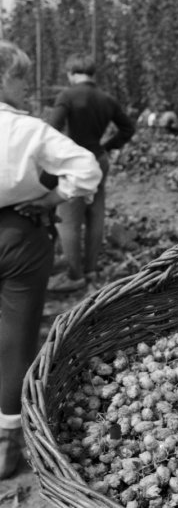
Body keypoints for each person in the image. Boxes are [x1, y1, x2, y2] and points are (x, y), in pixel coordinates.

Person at [0, 41, 102, 479]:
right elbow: (86, 167)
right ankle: (5, 443)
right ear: (5, 78)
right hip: (19, 235)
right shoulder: (25, 129)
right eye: (22, 77)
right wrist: (52, 196)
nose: (27, 87)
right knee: (17, 339)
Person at [46, 53, 135, 292]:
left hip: (75, 160)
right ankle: (91, 270)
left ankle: (74, 275)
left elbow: (51, 128)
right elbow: (128, 127)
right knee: (95, 213)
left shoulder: (67, 95)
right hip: (98, 158)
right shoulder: (106, 99)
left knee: (69, 219)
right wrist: (108, 145)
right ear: (93, 74)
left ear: (71, 73)